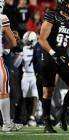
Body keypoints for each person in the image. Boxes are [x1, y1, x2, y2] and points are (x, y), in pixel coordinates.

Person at [38, 0, 69, 133]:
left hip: (64, 58)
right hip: (50, 56)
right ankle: (47, 123)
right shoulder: (52, 15)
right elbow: (42, 39)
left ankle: (63, 112)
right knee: (48, 91)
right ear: (63, 3)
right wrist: (53, 54)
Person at [0, 0, 22, 132]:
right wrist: (8, 47)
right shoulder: (2, 17)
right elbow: (13, 42)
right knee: (3, 92)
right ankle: (7, 123)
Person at [14, 31, 39, 126]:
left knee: (35, 95)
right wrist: (20, 56)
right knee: (23, 97)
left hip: (34, 75)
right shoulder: (23, 50)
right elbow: (16, 65)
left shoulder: (38, 50)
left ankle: (32, 117)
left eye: (27, 41)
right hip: (25, 75)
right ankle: (21, 117)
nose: (26, 42)